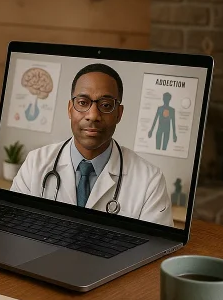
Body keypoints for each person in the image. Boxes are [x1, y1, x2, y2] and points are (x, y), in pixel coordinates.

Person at [10, 63, 173, 227]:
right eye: (82, 102)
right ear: (70, 109)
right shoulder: (35, 163)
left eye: (106, 105)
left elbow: (157, 248)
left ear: (119, 114)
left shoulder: (150, 180)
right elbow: (13, 228)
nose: (93, 115)